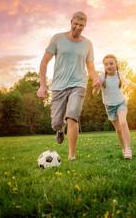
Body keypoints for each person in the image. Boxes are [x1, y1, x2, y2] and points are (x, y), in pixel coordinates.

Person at [37, 11, 101, 161]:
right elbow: (44, 61)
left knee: (72, 116)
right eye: (76, 24)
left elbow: (90, 68)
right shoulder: (58, 38)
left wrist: (96, 78)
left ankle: (71, 156)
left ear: (85, 26)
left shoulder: (88, 44)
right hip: (58, 86)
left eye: (81, 25)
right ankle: (59, 130)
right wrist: (42, 85)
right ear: (71, 21)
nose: (78, 27)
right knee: (56, 122)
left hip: (78, 84)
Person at [92, 54, 136, 159]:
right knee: (118, 130)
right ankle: (123, 148)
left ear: (116, 64)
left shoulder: (119, 74)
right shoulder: (101, 77)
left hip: (120, 103)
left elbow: (128, 82)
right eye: (106, 64)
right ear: (104, 66)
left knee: (123, 122)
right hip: (109, 107)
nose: (109, 66)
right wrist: (95, 88)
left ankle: (128, 149)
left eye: (111, 63)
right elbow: (95, 93)